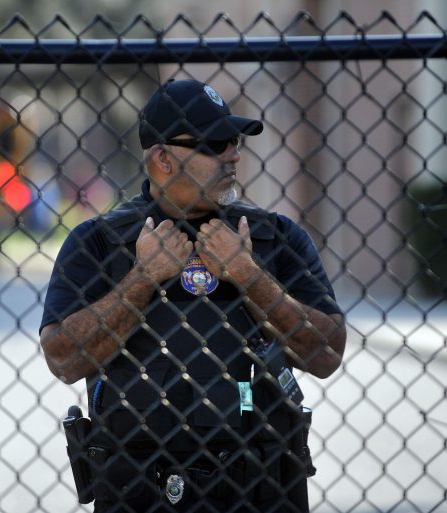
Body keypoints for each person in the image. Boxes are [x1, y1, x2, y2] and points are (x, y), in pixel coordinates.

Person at [40, 79, 346, 512]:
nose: (234, 155)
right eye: (217, 143)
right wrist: (144, 277)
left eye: (235, 142)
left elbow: (327, 353)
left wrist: (247, 274)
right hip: (139, 490)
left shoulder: (274, 238)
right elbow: (63, 360)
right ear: (163, 158)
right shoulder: (99, 243)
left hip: (261, 486)